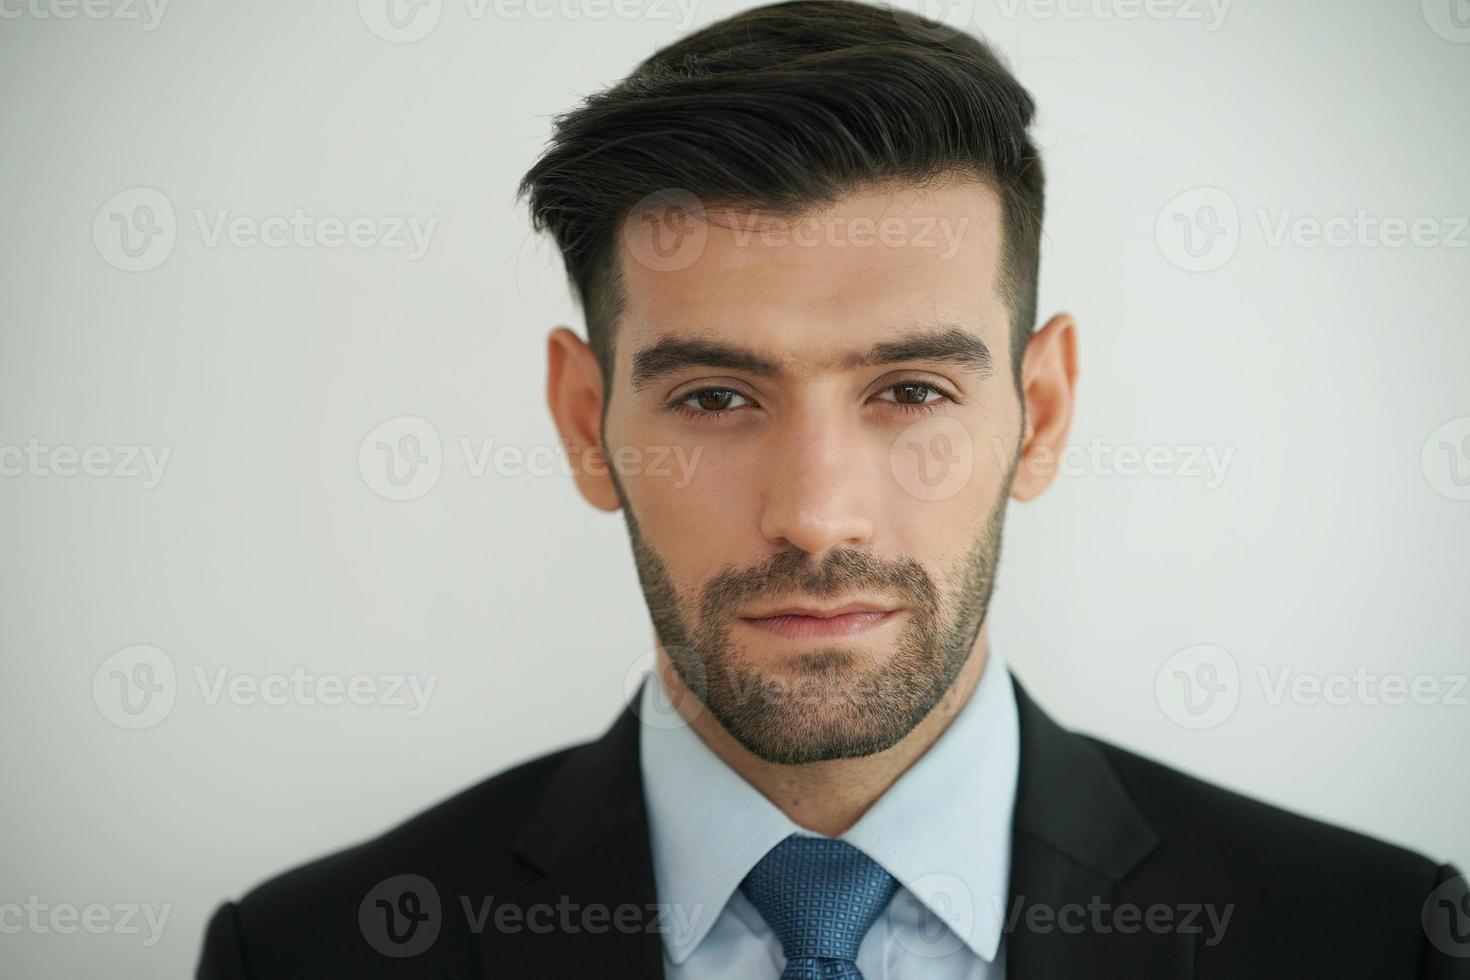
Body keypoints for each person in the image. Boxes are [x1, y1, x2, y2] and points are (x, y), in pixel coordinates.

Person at [197, 1, 1468, 976]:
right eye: (714, 397)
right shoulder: (309, 953)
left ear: (1045, 411)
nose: (816, 513)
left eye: (911, 390)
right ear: (588, 424)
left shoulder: (1377, 938)